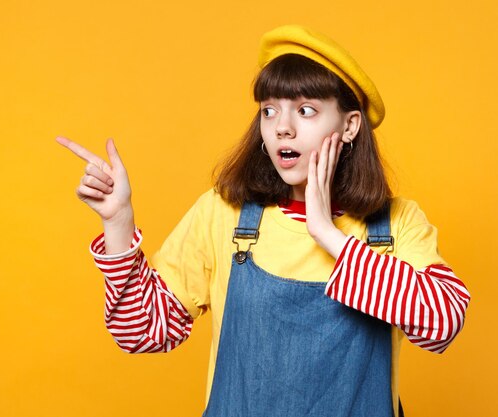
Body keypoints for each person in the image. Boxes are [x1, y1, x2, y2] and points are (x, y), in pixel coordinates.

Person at [57, 25, 470, 417]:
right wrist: (118, 222)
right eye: (269, 111)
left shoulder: (396, 224)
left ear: (349, 125)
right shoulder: (225, 213)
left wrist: (328, 233)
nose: (282, 129)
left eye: (305, 110)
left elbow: (444, 324)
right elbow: (142, 331)